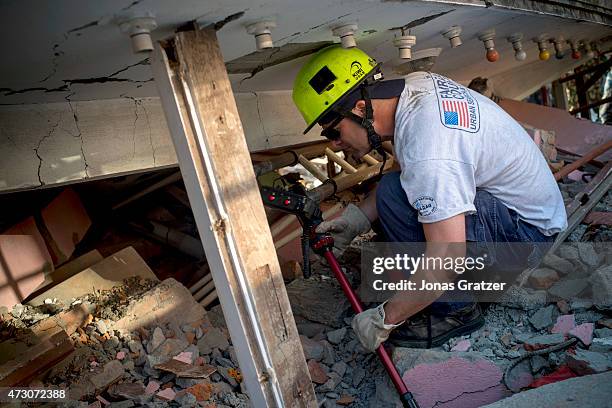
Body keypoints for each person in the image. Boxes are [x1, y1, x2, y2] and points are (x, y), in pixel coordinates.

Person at [291, 45, 567, 352]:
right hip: (525, 215)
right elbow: (406, 169)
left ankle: (455, 311)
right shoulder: (414, 88)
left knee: (398, 199)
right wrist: (356, 220)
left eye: (333, 132)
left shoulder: (430, 148)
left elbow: (448, 256)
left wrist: (386, 318)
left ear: (359, 108)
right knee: (395, 190)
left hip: (524, 237)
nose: (337, 144)